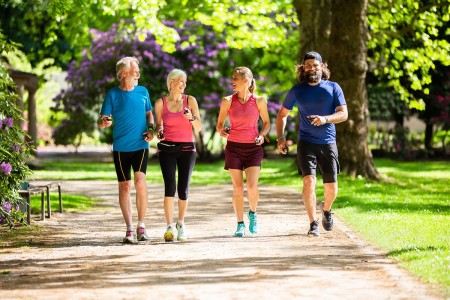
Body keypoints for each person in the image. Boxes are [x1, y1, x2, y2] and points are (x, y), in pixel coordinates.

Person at [276, 51, 348, 237]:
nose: (312, 68)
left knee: (331, 188)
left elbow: (343, 114)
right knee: (309, 181)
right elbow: (282, 115)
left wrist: (325, 119)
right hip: (306, 142)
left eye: (315, 65)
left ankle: (326, 210)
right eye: (308, 66)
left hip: (328, 142)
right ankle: (313, 223)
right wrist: (280, 138)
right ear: (303, 68)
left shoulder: (333, 87)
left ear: (322, 67)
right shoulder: (297, 90)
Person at [98, 56, 155, 244]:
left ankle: (141, 225)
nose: (138, 71)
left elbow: (149, 114)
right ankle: (129, 228)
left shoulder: (143, 91)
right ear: (124, 73)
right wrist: (104, 122)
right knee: (125, 185)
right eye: (135, 68)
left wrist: (151, 129)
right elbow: (102, 121)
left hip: (140, 145)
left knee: (140, 181)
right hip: (121, 147)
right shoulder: (112, 94)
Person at [216, 66, 271, 237]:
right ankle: (240, 224)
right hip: (233, 148)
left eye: (235, 78)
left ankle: (253, 213)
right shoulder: (227, 101)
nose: (232, 81)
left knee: (252, 187)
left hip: (253, 148)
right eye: (232, 78)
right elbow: (219, 124)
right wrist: (221, 130)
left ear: (246, 81)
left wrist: (262, 135)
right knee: (238, 188)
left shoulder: (259, 101)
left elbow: (267, 123)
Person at [154, 69, 202, 242]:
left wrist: (191, 118)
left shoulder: (190, 100)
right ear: (171, 82)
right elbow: (157, 126)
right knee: (170, 187)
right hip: (167, 148)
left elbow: (198, 127)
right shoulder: (161, 103)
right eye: (181, 81)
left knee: (183, 188)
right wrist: (158, 131)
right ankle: (168, 226)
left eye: (185, 82)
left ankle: (181, 223)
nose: (184, 84)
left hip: (187, 149)